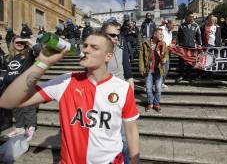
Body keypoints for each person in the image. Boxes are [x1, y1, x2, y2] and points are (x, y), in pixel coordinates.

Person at [0, 32, 140, 164]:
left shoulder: (122, 88)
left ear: (108, 56)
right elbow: (7, 101)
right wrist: (42, 62)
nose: (85, 50)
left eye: (94, 47)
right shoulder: (66, 81)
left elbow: (131, 130)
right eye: (85, 45)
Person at [101, 19, 134, 164]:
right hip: (100, 102)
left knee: (123, 139)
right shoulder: (93, 53)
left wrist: (130, 101)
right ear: (102, 34)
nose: (116, 38)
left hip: (118, 102)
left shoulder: (121, 51)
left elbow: (129, 76)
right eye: (112, 35)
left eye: (117, 35)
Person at [0, 36, 41, 141]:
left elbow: (40, 50)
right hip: (11, 87)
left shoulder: (29, 54)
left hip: (25, 86)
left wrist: (29, 41)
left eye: (21, 42)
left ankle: (30, 127)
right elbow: (5, 73)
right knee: (16, 109)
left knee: (28, 108)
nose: (19, 43)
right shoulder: (8, 57)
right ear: (12, 44)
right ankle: (20, 128)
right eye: (16, 42)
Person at [139, 28, 168, 113]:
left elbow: (166, 54)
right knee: (148, 88)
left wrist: (165, 58)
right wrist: (141, 68)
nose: (162, 36)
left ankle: (156, 103)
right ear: (155, 34)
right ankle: (150, 103)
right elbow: (141, 57)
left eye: (162, 34)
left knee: (158, 88)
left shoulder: (163, 44)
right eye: (160, 34)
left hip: (159, 69)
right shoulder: (145, 43)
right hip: (149, 69)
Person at [176, 11, 201, 82]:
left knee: (190, 63)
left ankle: (188, 76)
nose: (191, 18)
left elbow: (198, 36)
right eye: (190, 16)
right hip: (182, 48)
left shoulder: (196, 25)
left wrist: (199, 44)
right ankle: (181, 76)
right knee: (181, 63)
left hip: (192, 48)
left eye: (192, 17)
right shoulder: (182, 25)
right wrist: (177, 44)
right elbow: (178, 36)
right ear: (186, 17)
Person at [161, 20, 175, 88]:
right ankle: (157, 83)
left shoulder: (170, 31)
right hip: (161, 52)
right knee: (161, 68)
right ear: (169, 24)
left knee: (166, 68)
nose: (174, 27)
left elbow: (168, 41)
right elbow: (159, 40)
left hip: (167, 52)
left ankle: (162, 82)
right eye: (173, 25)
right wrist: (167, 45)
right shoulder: (161, 29)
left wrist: (171, 45)